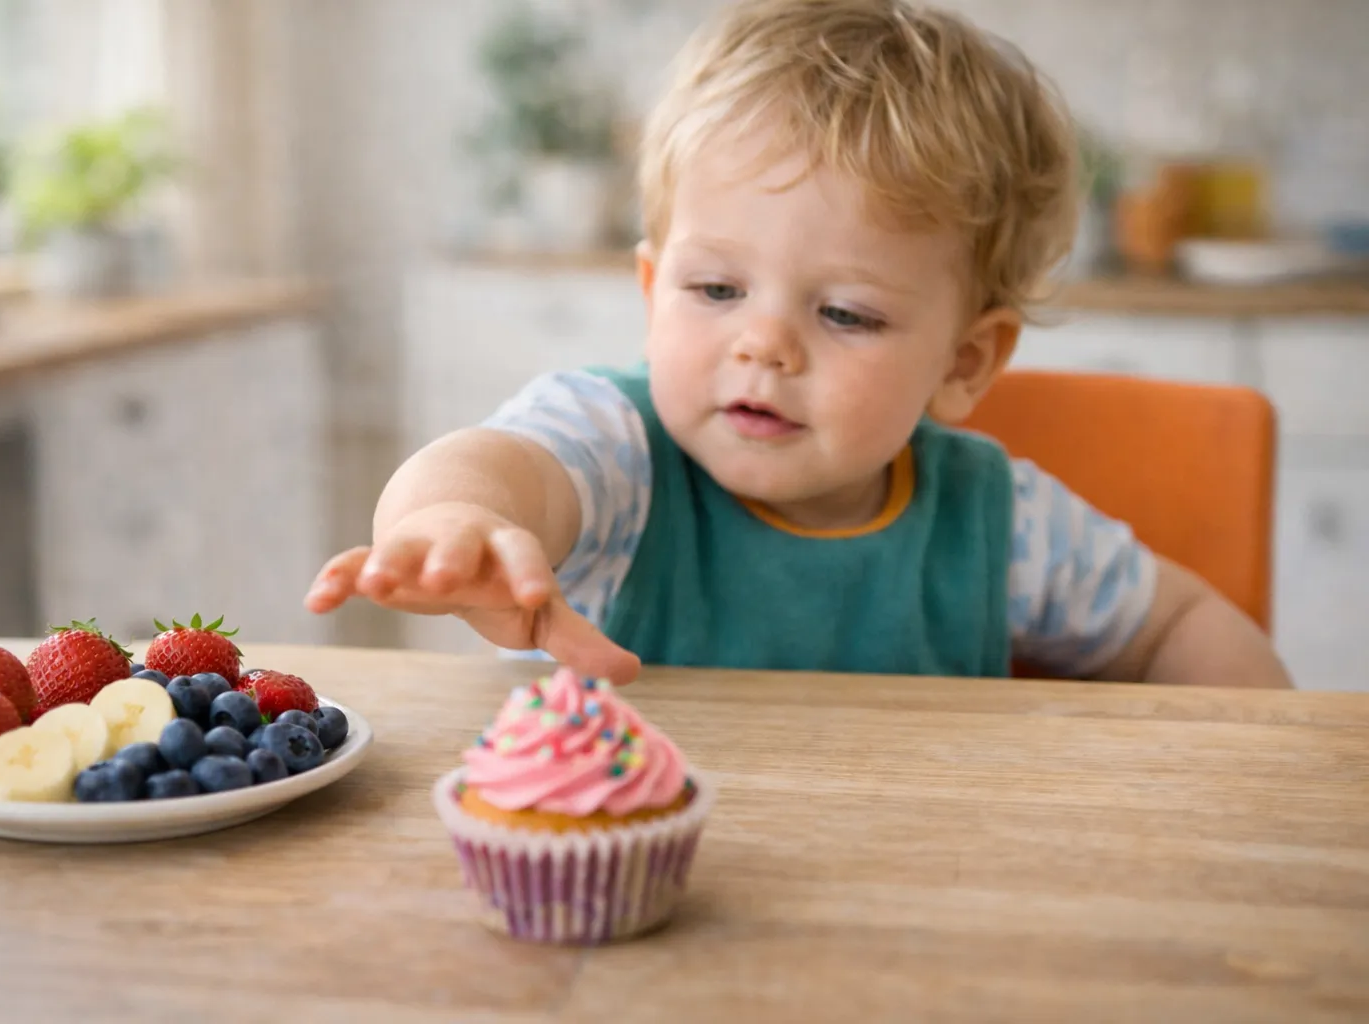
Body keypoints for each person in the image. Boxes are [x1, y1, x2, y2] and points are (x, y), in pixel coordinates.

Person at [305, 0, 1291, 689]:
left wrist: (1264, 774)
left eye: (846, 314)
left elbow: (1179, 626)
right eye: (716, 289)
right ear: (654, 293)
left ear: (965, 363)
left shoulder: (1004, 525)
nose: (763, 344)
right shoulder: (617, 450)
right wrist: (454, 521)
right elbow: (496, 468)